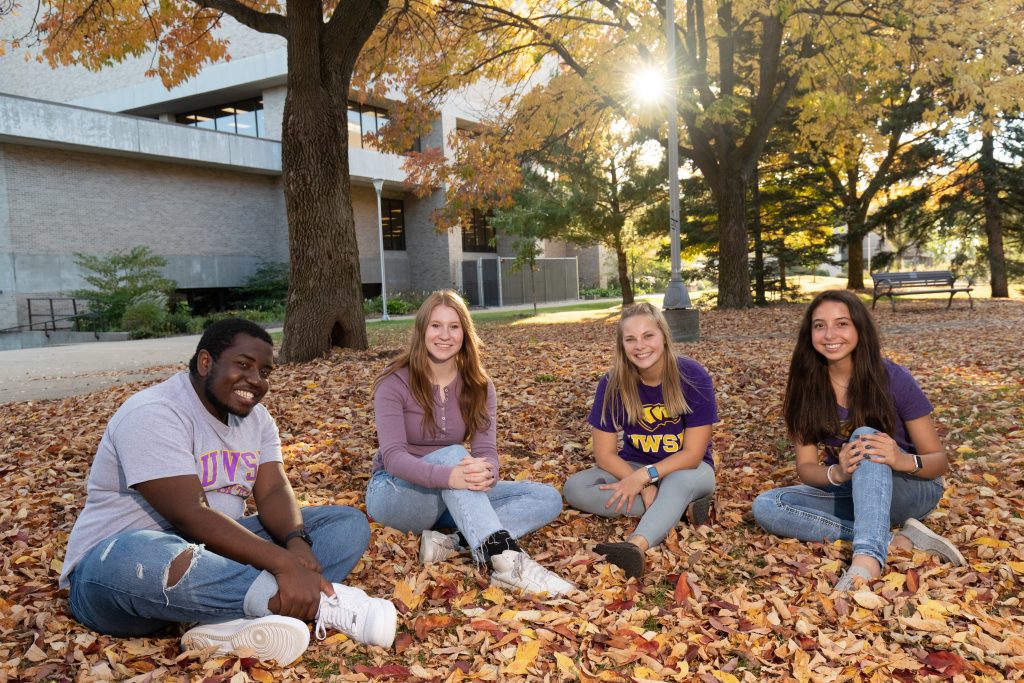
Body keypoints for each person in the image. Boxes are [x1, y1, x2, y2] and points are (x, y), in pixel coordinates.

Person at [60, 319, 397, 665]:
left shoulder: (257, 420)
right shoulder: (154, 412)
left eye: (265, 371)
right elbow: (189, 514)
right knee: (139, 550)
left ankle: (225, 619)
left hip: (214, 557)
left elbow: (273, 491)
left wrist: (296, 542)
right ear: (206, 362)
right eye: (244, 365)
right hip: (115, 574)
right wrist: (283, 564)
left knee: (345, 524)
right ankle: (324, 601)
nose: (256, 380)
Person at [752, 290, 965, 592]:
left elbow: (939, 461)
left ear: (859, 329)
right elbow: (807, 467)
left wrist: (901, 459)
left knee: (865, 436)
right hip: (853, 490)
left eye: (841, 324)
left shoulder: (892, 377)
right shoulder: (805, 386)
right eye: (819, 325)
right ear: (809, 333)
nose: (829, 335)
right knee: (768, 505)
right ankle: (900, 541)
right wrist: (837, 473)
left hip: (911, 488)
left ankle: (867, 560)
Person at [365, 290, 573, 596]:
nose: (444, 335)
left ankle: (452, 543)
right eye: (436, 326)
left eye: (454, 326)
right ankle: (507, 563)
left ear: (465, 332)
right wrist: (451, 474)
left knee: (546, 497)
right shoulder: (394, 382)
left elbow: (486, 451)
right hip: (396, 493)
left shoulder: (478, 385)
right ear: (422, 330)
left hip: (451, 494)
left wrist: (487, 471)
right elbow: (393, 456)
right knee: (453, 454)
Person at [563, 302, 717, 579]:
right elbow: (605, 454)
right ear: (622, 345)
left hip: (689, 469)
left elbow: (693, 453)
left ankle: (636, 545)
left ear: (664, 337)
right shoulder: (612, 383)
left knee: (678, 483)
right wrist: (639, 483)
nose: (640, 346)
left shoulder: (692, 375)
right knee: (575, 488)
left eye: (648, 336)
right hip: (634, 465)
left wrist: (647, 476)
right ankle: (680, 508)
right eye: (630, 339)